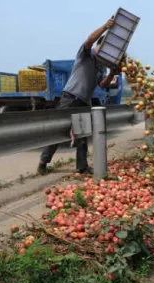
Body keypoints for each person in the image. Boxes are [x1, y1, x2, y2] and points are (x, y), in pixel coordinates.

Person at [37, 18, 120, 175]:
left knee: (82, 134)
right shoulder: (86, 54)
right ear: (99, 46)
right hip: (70, 97)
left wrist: (113, 73)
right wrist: (105, 27)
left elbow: (102, 84)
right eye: (104, 48)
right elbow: (89, 40)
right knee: (58, 131)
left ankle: (82, 167)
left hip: (83, 101)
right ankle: (43, 162)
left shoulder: (101, 66)